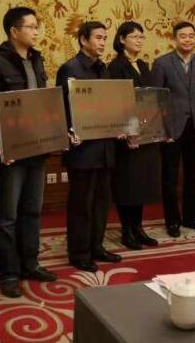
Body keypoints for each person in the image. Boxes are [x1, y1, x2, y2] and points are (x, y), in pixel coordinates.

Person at [0, 7, 57, 299]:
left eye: (37, 26)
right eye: (31, 27)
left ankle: (30, 263)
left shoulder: (37, 60)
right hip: (11, 151)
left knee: (32, 210)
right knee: (8, 216)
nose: (36, 31)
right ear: (14, 31)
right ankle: (8, 273)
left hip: (37, 147)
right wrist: (0, 143)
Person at [56, 22, 122, 271]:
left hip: (105, 147)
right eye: (98, 38)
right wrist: (69, 132)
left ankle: (96, 246)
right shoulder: (70, 68)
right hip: (83, 149)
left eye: (105, 38)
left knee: (101, 202)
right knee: (81, 204)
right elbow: (62, 107)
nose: (103, 42)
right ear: (83, 40)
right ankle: (79, 253)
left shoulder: (103, 68)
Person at [151, 21, 195, 237]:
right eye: (183, 36)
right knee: (170, 177)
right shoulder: (162, 63)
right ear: (174, 39)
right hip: (172, 129)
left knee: (194, 175)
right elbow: (156, 99)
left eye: (191, 36)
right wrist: (161, 129)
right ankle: (173, 221)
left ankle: (191, 217)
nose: (187, 39)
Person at [107, 21, 161, 250]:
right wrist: (129, 132)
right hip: (126, 138)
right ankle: (126, 230)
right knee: (127, 185)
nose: (139, 41)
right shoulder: (114, 67)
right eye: (134, 37)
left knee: (141, 185)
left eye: (141, 37)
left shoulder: (143, 65)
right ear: (122, 39)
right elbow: (116, 103)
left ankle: (138, 228)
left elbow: (150, 98)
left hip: (146, 134)